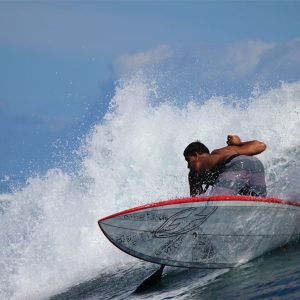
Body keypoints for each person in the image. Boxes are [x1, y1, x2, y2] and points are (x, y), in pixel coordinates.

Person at [183, 135, 267, 197]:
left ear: (195, 155)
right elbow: (261, 146)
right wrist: (240, 144)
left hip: (237, 163)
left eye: (188, 160)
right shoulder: (223, 152)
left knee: (217, 201)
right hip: (256, 164)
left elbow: (195, 201)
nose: (188, 166)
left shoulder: (194, 173)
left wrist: (239, 143)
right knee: (259, 203)